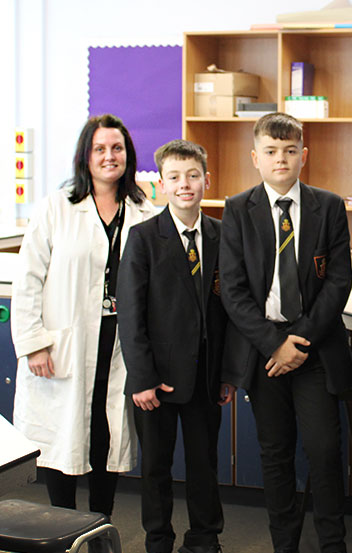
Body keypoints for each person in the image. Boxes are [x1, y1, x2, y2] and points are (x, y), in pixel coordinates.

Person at [219, 112, 352, 553]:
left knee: (324, 450)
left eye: (290, 151)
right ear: (255, 157)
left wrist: (299, 342)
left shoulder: (328, 206)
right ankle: (284, 545)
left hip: (313, 348)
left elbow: (338, 282)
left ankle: (332, 544)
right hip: (265, 351)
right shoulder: (237, 209)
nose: (281, 159)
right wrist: (275, 343)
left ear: (303, 156)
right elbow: (233, 290)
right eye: (272, 151)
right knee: (275, 454)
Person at [11, 114, 156, 523]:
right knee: (65, 435)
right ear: (85, 156)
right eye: (100, 149)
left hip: (118, 342)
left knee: (105, 436)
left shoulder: (144, 212)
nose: (109, 156)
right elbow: (28, 279)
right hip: (65, 344)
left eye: (117, 148)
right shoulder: (57, 207)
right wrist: (34, 342)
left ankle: (99, 524)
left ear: (128, 155)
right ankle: (65, 524)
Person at [117, 140, 235, 553]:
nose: (185, 184)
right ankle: (158, 540)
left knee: (205, 463)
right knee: (156, 468)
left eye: (193, 175)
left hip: (206, 375)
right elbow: (131, 314)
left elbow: (229, 312)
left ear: (207, 180)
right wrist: (141, 378)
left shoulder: (223, 236)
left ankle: (204, 538)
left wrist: (227, 373)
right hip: (157, 380)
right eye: (174, 177)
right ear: (161, 185)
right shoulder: (143, 238)